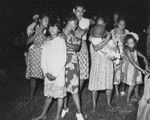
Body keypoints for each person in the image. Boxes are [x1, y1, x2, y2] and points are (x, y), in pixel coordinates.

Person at [32, 19, 66, 120]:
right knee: (49, 95)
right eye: (50, 27)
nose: (52, 29)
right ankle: (43, 114)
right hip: (48, 73)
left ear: (59, 30)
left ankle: (57, 117)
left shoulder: (61, 41)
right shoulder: (46, 42)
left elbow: (63, 58)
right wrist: (46, 72)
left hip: (58, 73)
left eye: (55, 27)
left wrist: (55, 74)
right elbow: (43, 58)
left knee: (60, 96)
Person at [60, 14, 84, 120]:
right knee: (63, 87)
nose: (76, 25)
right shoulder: (59, 33)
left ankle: (79, 113)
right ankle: (65, 108)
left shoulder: (75, 34)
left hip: (72, 62)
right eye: (75, 23)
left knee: (74, 88)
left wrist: (67, 43)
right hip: (61, 62)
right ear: (70, 21)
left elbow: (77, 47)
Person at [88, 23, 115, 110]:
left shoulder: (109, 40)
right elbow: (97, 48)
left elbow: (114, 50)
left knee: (108, 85)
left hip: (107, 66)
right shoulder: (93, 41)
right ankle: (94, 105)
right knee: (95, 87)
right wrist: (107, 39)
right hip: (97, 66)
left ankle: (108, 103)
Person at [25, 14, 49, 105]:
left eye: (48, 20)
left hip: (43, 55)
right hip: (35, 55)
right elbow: (27, 42)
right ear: (40, 20)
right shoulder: (34, 29)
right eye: (45, 20)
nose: (47, 22)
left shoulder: (48, 30)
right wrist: (36, 34)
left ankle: (47, 96)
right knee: (33, 77)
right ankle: (31, 97)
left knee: (45, 75)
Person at [121, 34, 149, 105]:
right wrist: (142, 70)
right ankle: (127, 100)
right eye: (130, 43)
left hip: (137, 68)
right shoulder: (127, 50)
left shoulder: (133, 48)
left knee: (137, 83)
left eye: (133, 42)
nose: (132, 44)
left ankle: (136, 96)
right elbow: (133, 62)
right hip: (131, 69)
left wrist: (144, 57)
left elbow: (137, 52)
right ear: (126, 44)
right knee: (132, 85)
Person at [110, 17, 130, 96]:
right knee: (117, 73)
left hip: (125, 55)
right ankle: (117, 91)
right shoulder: (113, 32)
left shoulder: (127, 32)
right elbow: (110, 44)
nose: (122, 26)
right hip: (116, 55)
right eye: (120, 24)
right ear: (117, 24)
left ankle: (122, 90)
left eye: (124, 24)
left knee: (124, 73)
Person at [73, 5, 90, 91]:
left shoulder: (86, 21)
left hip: (82, 45)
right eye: (78, 11)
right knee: (72, 69)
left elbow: (81, 34)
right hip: (71, 45)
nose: (80, 13)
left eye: (81, 11)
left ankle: (78, 92)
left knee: (83, 70)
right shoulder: (70, 20)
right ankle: (71, 90)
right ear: (74, 11)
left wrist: (75, 23)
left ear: (84, 11)